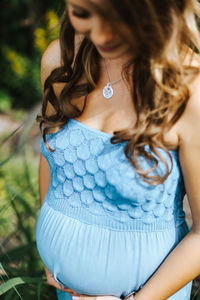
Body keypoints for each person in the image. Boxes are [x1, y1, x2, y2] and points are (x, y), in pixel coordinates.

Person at [36, 0, 200, 299]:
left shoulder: (190, 89)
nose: (98, 35)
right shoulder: (62, 60)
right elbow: (54, 160)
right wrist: (50, 250)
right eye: (84, 13)